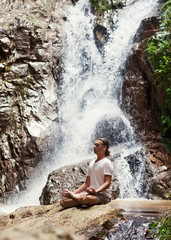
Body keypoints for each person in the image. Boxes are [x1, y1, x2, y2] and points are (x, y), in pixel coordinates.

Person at [60, 138, 113, 208]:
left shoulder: (107, 163)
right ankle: (79, 199)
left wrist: (96, 191)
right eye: (94, 145)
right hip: (90, 194)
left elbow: (107, 183)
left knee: (86, 199)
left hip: (103, 196)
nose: (94, 146)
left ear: (104, 148)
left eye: (97, 145)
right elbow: (86, 183)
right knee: (63, 201)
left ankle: (80, 199)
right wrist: (74, 192)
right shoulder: (91, 163)